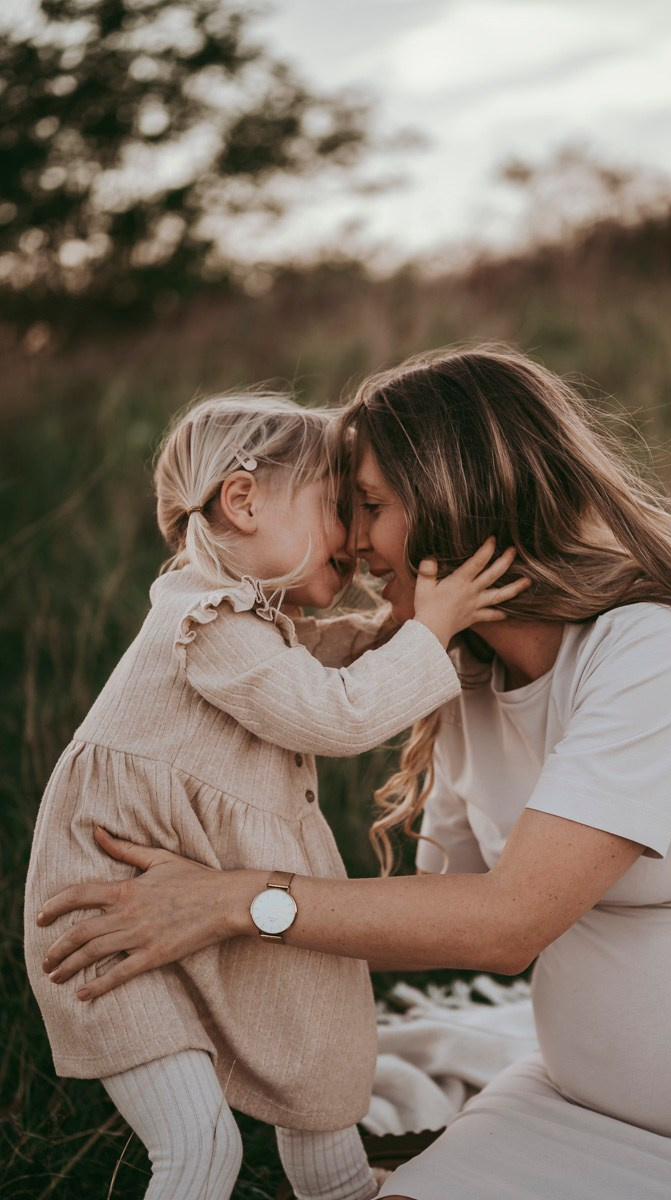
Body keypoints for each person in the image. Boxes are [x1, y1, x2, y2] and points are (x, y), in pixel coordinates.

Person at [36, 348, 671, 1200]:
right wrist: (192, 929)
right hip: (564, 1105)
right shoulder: (463, 674)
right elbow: (442, 906)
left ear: (457, 498)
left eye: (366, 507)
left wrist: (231, 903)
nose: (352, 546)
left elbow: (505, 927)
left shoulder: (651, 651)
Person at [23, 389, 526, 1200]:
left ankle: (340, 1189)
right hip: (112, 921)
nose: (355, 541)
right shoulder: (206, 624)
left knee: (316, 1049)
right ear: (245, 499)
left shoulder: (252, 627)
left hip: (197, 895)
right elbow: (338, 712)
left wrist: (418, 628)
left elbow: (334, 659)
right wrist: (431, 631)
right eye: (337, 508)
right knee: (198, 1150)